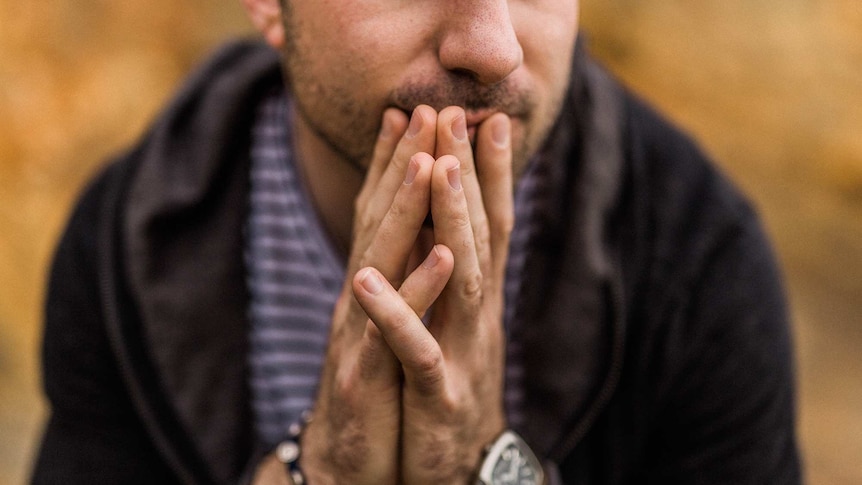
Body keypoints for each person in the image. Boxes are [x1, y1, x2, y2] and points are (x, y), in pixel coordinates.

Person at [32, 0, 802, 483]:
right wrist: (318, 472)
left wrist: (484, 464)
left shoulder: (693, 255)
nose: (494, 47)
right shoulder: (134, 237)